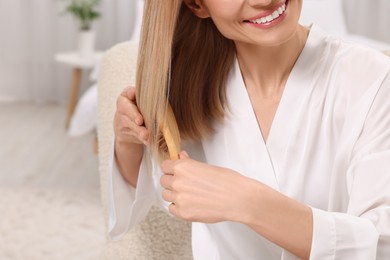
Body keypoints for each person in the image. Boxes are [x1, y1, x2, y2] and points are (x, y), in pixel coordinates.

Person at [109, 0, 390, 259]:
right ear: (197, 5)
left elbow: (381, 243)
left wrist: (248, 202)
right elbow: (163, 189)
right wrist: (127, 141)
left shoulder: (372, 79)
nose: (264, 0)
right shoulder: (191, 87)